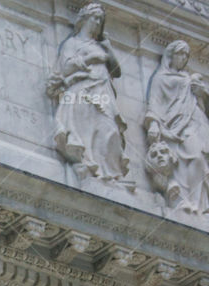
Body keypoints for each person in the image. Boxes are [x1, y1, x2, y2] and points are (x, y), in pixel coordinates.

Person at [46, 3, 129, 182]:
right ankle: (89, 166)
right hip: (82, 92)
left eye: (101, 19)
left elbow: (117, 71)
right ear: (84, 19)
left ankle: (110, 174)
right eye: (95, 18)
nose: (98, 22)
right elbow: (65, 68)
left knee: (111, 131)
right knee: (87, 131)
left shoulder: (102, 45)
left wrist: (108, 48)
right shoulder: (72, 43)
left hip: (103, 92)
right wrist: (91, 58)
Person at [144, 40, 209, 215]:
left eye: (186, 55)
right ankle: (181, 201)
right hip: (171, 126)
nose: (184, 58)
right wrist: (153, 125)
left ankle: (198, 206)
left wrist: (203, 94)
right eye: (180, 53)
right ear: (171, 56)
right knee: (179, 162)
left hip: (195, 122)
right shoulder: (160, 78)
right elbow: (154, 103)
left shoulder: (189, 79)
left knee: (198, 159)